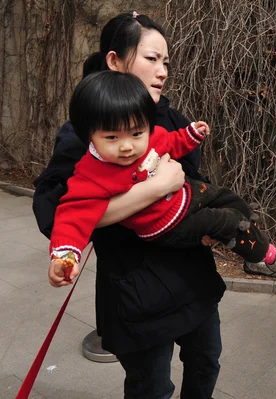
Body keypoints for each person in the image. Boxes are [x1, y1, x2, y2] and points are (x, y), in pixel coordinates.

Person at [33, 12, 235, 398]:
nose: (162, 71)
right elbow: (60, 210)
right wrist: (153, 188)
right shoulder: (87, 134)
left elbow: (194, 185)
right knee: (152, 387)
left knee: (206, 362)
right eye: (151, 58)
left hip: (192, 275)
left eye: (166, 62)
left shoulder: (170, 119)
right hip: (136, 289)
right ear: (114, 61)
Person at [48, 70, 276, 284]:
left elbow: (170, 141)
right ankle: (264, 257)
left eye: (136, 133)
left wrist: (191, 135)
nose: (127, 146)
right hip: (167, 226)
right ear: (89, 135)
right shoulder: (90, 174)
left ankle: (250, 240)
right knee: (225, 220)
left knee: (228, 198)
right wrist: (64, 257)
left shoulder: (150, 137)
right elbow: (71, 217)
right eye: (112, 138)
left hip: (186, 194)